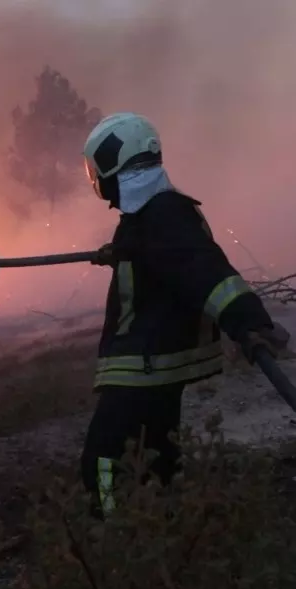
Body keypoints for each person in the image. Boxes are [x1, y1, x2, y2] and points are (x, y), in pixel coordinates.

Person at [81, 112, 290, 516]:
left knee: (103, 457)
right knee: (158, 451)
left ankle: (108, 529)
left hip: (144, 362)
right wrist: (122, 252)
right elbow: (168, 265)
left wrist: (248, 321)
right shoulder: (151, 214)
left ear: (115, 163)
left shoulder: (164, 214)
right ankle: (163, 524)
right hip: (153, 361)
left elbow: (204, 270)